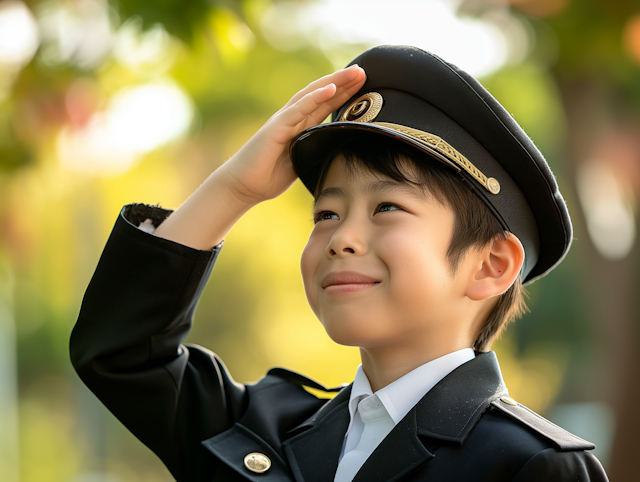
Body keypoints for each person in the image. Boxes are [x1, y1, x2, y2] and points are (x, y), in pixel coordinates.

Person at [70, 45, 609, 481]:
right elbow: (122, 352)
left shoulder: (529, 465)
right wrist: (234, 187)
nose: (341, 238)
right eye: (325, 213)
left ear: (491, 264)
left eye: (387, 207)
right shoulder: (261, 427)